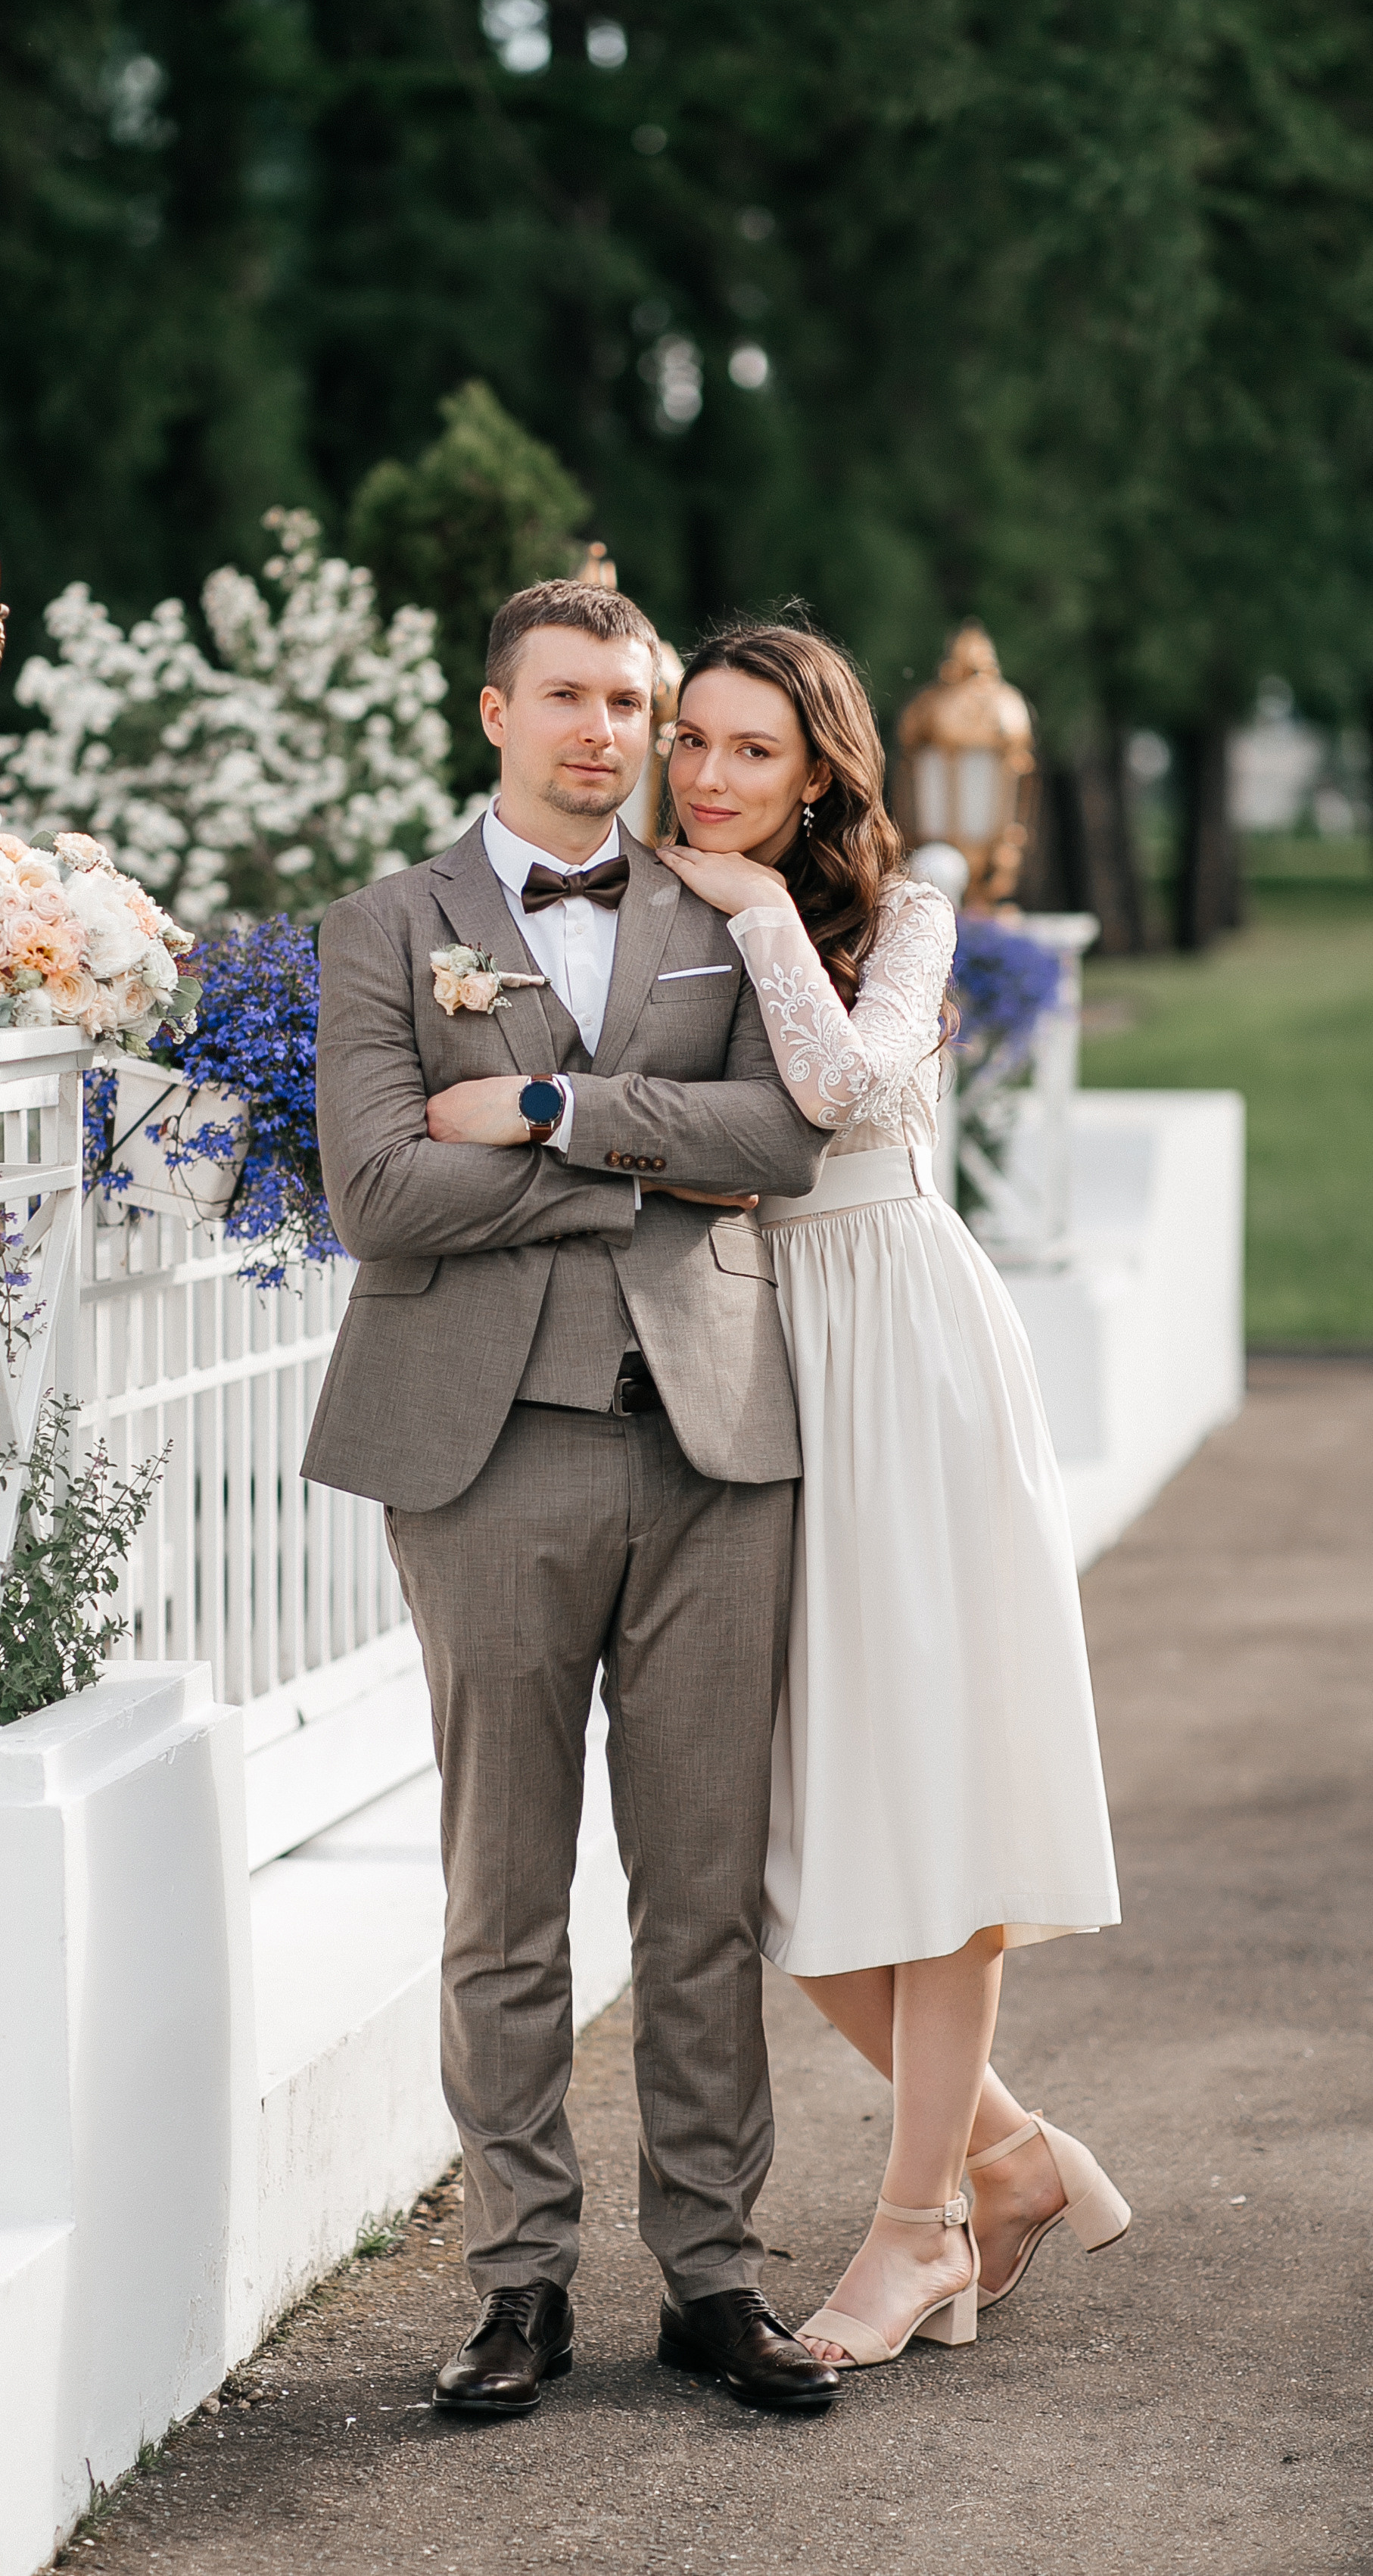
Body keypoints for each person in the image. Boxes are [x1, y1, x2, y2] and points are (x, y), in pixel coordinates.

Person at [304, 580, 843, 2419]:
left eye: (637, 700)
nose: (612, 734)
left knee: (701, 1897)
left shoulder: (726, 913)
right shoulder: (388, 926)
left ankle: (714, 2276)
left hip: (713, 1451)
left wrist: (540, 1109)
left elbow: (783, 1136)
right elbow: (378, 1192)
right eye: (572, 698)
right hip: (484, 1453)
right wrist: (639, 1163)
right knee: (502, 1889)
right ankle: (517, 2280)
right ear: (493, 712)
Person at [654, 616, 1129, 2371]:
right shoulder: (649, 906)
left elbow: (846, 1086)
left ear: (819, 768)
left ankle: (917, 2219)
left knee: (937, 1806)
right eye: (690, 738)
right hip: (761, 1374)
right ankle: (1003, 2159)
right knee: (786, 1855)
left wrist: (757, 910)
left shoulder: (906, 907)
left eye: (751, 748)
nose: (708, 775)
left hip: (907, 1354)